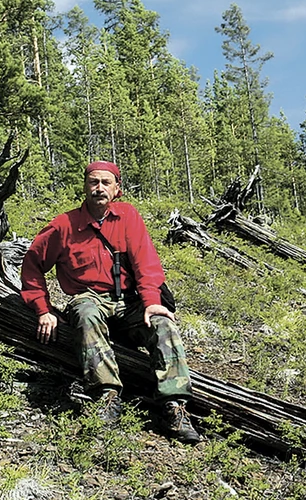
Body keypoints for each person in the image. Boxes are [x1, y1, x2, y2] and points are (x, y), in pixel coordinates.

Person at [20, 161, 201, 443]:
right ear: (85, 186)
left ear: (117, 188)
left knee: (163, 323)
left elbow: (146, 264)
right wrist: (43, 309)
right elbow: (32, 266)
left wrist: (151, 301)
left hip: (129, 300)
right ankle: (106, 397)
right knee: (86, 313)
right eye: (93, 182)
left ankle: (174, 406)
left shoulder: (128, 216)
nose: (99, 188)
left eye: (106, 182)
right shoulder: (63, 226)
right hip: (89, 297)